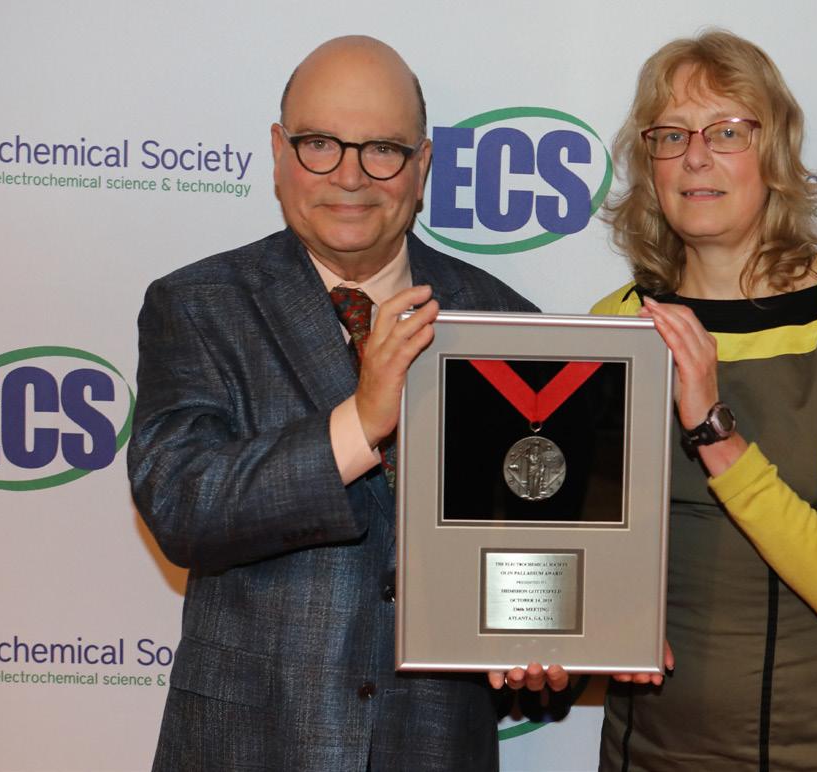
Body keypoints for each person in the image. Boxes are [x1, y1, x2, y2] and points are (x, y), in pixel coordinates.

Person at [128, 35, 564, 772]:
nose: (351, 176)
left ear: (422, 166)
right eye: (320, 145)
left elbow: (537, 537)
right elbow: (182, 507)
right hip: (248, 746)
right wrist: (360, 424)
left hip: (435, 747)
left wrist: (545, 637)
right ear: (278, 151)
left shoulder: (505, 322)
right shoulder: (198, 305)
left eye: (383, 149)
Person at [592, 30, 817, 771]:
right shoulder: (611, 327)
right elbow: (584, 557)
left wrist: (715, 431)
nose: (695, 157)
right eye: (671, 135)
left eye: (727, 132)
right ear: (649, 164)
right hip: (645, 748)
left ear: (774, 155)